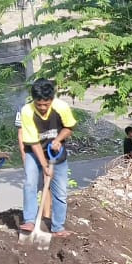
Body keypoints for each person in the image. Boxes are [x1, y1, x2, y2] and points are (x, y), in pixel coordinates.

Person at [18, 78, 76, 238]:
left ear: (52, 99)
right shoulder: (27, 111)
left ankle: (57, 227)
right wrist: (44, 166)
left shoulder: (61, 107)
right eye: (39, 104)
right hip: (34, 152)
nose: (42, 108)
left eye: (46, 104)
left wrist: (58, 140)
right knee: (30, 183)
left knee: (61, 192)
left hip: (57, 154)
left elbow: (69, 127)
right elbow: (33, 142)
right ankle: (29, 220)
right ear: (33, 100)